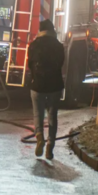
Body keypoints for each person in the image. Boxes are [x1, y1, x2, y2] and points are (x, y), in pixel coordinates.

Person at [26, 19, 65, 160]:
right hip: (54, 86)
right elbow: (61, 64)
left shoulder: (33, 45)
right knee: (52, 115)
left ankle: (39, 136)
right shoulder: (59, 46)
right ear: (52, 30)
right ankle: (50, 147)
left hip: (37, 85)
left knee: (38, 114)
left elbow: (30, 64)